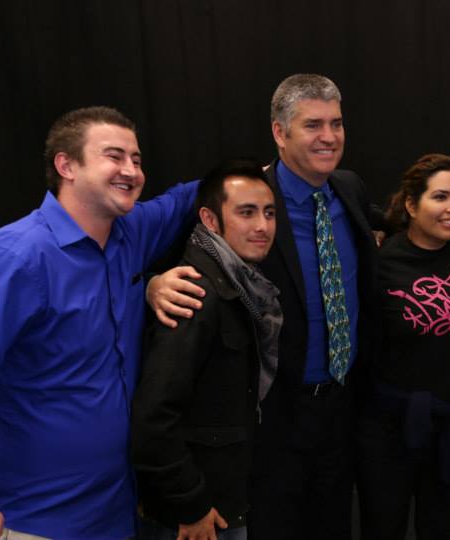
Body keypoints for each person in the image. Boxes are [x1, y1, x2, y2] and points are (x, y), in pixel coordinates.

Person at [0, 106, 199, 539]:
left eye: (137, 160)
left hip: (116, 512)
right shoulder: (17, 257)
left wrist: (280, 162)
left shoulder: (129, 234)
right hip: (34, 519)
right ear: (66, 165)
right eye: (114, 156)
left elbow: (185, 198)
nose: (132, 170)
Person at [146, 73, 378, 540]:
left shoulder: (349, 189)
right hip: (270, 420)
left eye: (336, 123)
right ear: (279, 132)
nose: (329, 137)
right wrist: (152, 285)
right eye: (313, 125)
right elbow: (175, 260)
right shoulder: (247, 199)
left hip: (341, 408)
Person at [131, 159, 281, 540]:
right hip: (195, 518)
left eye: (268, 212)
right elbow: (153, 419)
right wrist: (191, 504)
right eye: (246, 213)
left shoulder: (242, 286)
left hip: (223, 502)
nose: (262, 226)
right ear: (210, 220)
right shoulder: (194, 295)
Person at [356, 154, 450, 540]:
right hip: (388, 428)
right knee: (382, 529)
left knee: (442, 529)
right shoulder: (380, 261)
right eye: (440, 197)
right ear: (412, 205)